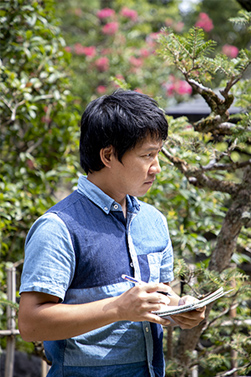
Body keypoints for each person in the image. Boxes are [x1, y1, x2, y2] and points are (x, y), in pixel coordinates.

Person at [18, 89, 205, 377]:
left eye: (158, 154)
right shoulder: (58, 227)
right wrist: (118, 308)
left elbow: (156, 297)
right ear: (108, 155)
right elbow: (31, 324)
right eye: (147, 155)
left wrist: (178, 307)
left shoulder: (153, 221)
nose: (157, 168)